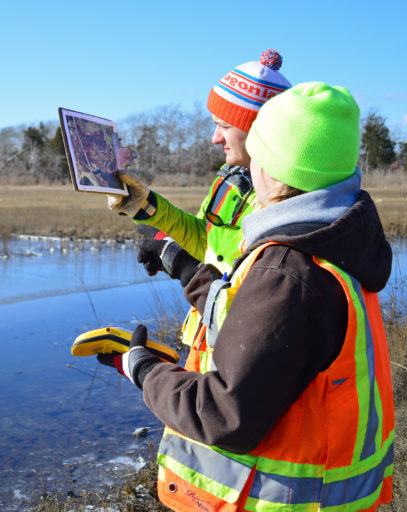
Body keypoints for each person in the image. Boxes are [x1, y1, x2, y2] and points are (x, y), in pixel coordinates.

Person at [99, 82, 395, 512]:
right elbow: (250, 320)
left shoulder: (290, 270)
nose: (222, 143)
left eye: (257, 153)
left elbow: (224, 412)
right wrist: (179, 259)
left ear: (277, 171)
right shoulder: (340, 239)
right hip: (319, 509)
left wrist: (143, 370)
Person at [108, 50, 291, 347]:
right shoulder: (231, 178)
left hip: (238, 357)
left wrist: (185, 268)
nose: (214, 138)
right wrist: (146, 206)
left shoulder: (285, 203)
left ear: (258, 130)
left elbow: (258, 312)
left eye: (225, 126)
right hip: (207, 342)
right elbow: (204, 239)